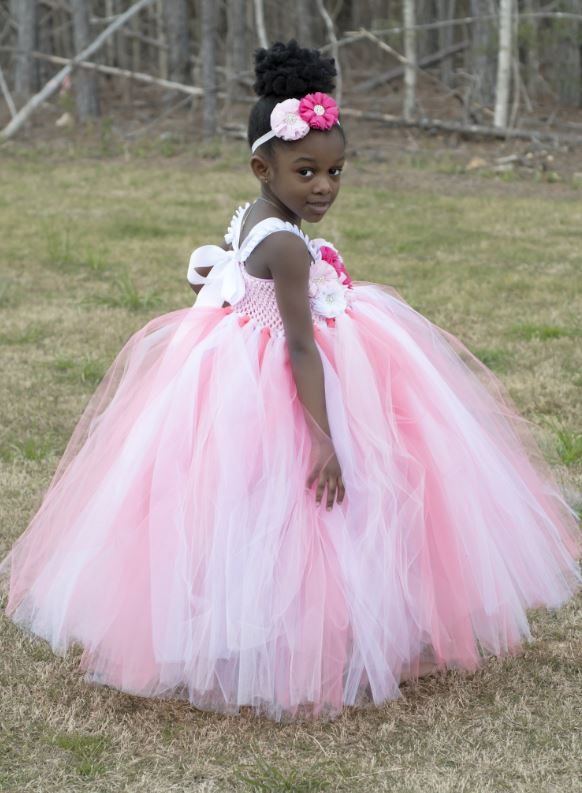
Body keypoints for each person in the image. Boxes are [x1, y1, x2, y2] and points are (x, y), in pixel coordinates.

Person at [1, 41, 580, 723]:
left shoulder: (257, 216)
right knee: (311, 512)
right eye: (307, 171)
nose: (324, 187)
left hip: (240, 364)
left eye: (336, 171)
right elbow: (302, 345)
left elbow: (222, 271)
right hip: (284, 383)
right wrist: (324, 437)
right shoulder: (285, 244)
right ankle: (303, 640)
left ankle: (257, 629)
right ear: (262, 166)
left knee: (243, 510)